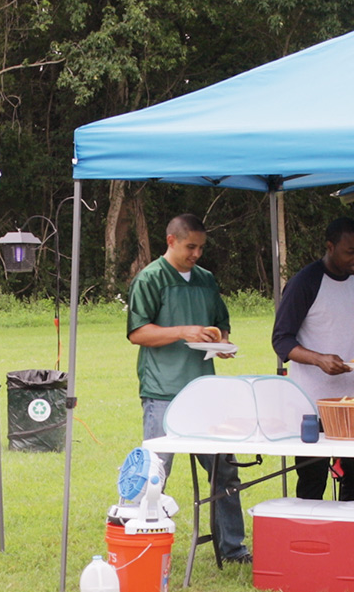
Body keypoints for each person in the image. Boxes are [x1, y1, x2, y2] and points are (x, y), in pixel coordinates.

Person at [127, 213, 251, 564]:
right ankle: (140, 547)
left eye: (201, 247)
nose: (196, 253)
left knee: (224, 469)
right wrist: (184, 331)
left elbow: (221, 325)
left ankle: (232, 548)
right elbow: (138, 333)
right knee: (154, 474)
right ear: (171, 241)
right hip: (162, 391)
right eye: (190, 246)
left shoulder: (206, 280)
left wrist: (222, 343)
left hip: (204, 393)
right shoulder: (150, 278)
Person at [271, 217, 354, 502]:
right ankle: (312, 536)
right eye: (349, 251)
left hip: (352, 401)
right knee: (311, 477)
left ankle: (351, 536)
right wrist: (319, 359)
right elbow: (281, 340)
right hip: (309, 403)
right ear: (330, 247)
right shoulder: (305, 282)